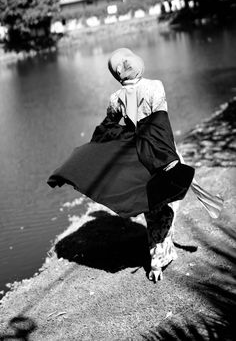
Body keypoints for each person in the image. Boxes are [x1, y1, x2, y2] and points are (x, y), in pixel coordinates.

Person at [48, 48, 223, 282]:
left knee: (155, 208)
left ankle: (161, 255)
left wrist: (107, 146)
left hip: (140, 159)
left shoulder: (115, 99)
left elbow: (107, 127)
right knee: (168, 205)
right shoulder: (155, 87)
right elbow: (160, 120)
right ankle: (158, 258)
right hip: (164, 153)